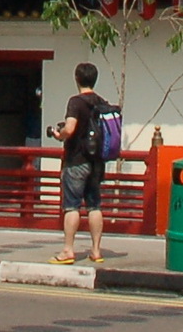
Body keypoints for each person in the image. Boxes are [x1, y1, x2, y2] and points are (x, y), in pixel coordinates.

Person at [52, 62, 109, 265]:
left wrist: (59, 135)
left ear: (77, 78)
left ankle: (68, 250)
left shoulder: (76, 102)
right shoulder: (101, 102)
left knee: (72, 206)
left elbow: (70, 128)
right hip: (97, 163)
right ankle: (95, 251)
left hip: (76, 160)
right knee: (94, 206)